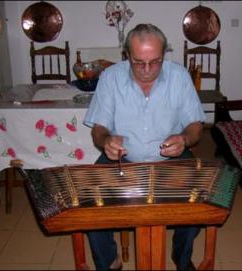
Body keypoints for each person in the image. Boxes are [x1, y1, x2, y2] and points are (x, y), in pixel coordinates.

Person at [83, 23, 206, 271]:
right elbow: (99, 129)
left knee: (200, 197)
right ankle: (109, 261)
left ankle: (181, 257)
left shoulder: (179, 76)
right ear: (127, 55)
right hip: (122, 158)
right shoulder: (110, 78)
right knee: (90, 199)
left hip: (172, 156)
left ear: (164, 55)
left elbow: (196, 126)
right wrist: (106, 141)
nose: (148, 70)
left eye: (155, 62)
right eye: (139, 62)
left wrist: (183, 139)